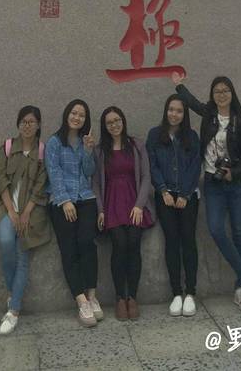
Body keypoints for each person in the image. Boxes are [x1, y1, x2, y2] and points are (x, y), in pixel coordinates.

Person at [172, 71, 241, 312]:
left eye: (225, 91)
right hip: (213, 183)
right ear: (212, 95)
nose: (221, 95)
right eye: (217, 91)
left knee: (240, 233)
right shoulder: (209, 115)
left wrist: (236, 172)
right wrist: (179, 86)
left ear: (232, 93)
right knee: (216, 229)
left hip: (237, 184)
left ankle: (240, 289)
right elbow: (192, 104)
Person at [0, 105, 50, 335]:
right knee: (5, 241)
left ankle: (13, 310)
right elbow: (0, 180)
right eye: (23, 122)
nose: (27, 126)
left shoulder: (42, 151)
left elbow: (41, 185)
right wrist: (12, 212)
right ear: (18, 124)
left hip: (31, 210)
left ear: (38, 125)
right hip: (6, 208)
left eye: (31, 122)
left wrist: (26, 212)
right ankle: (14, 293)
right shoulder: (7, 147)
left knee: (23, 253)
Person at [45, 99, 102, 327]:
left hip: (86, 198)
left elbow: (89, 171)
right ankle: (81, 301)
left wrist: (88, 151)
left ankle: (92, 295)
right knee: (69, 249)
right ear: (66, 114)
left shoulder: (84, 141)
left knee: (87, 243)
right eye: (74, 113)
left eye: (81, 115)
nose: (77, 118)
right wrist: (64, 200)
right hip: (62, 202)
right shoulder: (54, 142)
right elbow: (53, 172)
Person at [94, 106, 154, 320]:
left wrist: (140, 205)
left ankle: (132, 297)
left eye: (117, 120)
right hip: (111, 204)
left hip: (134, 202)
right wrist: (100, 210)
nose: (114, 125)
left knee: (133, 243)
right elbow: (96, 183)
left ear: (123, 121)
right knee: (119, 244)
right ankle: (120, 297)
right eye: (109, 122)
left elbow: (146, 176)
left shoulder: (137, 145)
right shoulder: (100, 151)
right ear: (104, 126)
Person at [146, 93, 201, 317]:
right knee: (171, 241)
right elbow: (152, 164)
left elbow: (195, 166)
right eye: (171, 110)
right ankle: (176, 292)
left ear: (184, 114)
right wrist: (162, 190)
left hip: (188, 197)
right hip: (165, 196)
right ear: (165, 111)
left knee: (188, 240)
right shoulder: (154, 135)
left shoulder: (191, 136)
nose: (174, 114)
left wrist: (185, 194)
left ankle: (191, 293)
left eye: (179, 111)